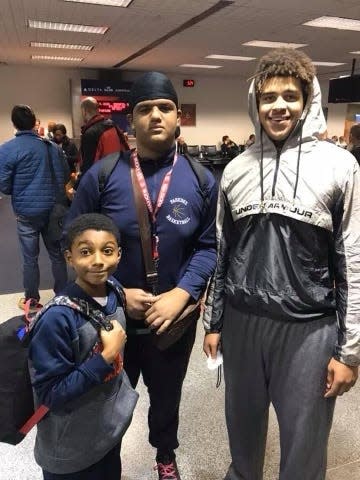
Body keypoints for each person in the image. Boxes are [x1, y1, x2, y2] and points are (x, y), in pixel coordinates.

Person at [203, 48, 360, 480]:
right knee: (242, 433)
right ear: (256, 103)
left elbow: (353, 261)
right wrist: (214, 323)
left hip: (307, 328)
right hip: (242, 321)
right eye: (268, 97)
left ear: (307, 101)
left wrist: (348, 352)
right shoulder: (235, 170)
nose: (278, 106)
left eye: (290, 96)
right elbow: (223, 252)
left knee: (305, 445)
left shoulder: (339, 167)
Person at [65, 71, 218, 480]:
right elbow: (75, 246)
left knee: (166, 400)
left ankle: (165, 456)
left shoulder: (201, 180)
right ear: (130, 120)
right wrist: (116, 291)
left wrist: (183, 292)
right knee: (107, 399)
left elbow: (208, 247)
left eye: (165, 108)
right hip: (111, 321)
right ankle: (105, 461)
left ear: (178, 117)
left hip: (173, 322)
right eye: (144, 109)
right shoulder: (102, 177)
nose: (155, 116)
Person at [29, 213, 137, 480]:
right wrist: (106, 356)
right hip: (69, 453)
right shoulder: (58, 318)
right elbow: (49, 393)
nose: (98, 260)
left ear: (119, 254)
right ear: (69, 257)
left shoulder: (114, 290)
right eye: (86, 252)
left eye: (107, 251)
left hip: (107, 434)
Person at [0, 105, 69, 310]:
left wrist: (21, 189)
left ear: (14, 123)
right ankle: (62, 296)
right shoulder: (52, 147)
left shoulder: (7, 148)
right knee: (57, 255)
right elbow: (65, 176)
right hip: (54, 208)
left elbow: (3, 184)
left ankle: (32, 299)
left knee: (30, 258)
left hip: (27, 211)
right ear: (34, 122)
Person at [78, 96, 129, 181]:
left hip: (101, 182)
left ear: (84, 111)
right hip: (119, 176)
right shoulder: (113, 125)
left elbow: (88, 165)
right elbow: (126, 148)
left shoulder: (90, 133)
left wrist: (77, 186)